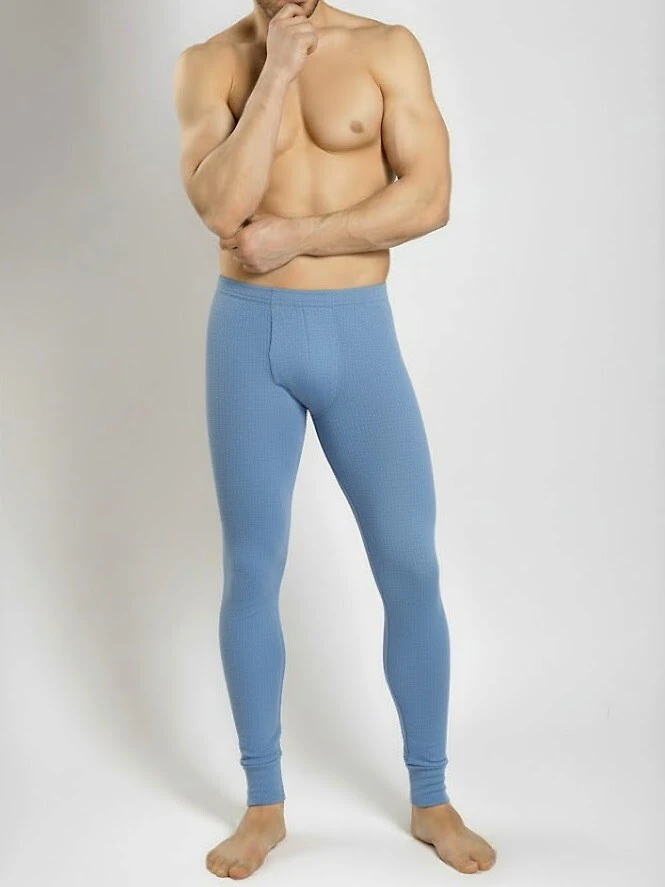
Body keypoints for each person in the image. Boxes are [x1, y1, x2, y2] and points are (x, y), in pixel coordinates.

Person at [173, 0, 496, 878]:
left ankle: (430, 796)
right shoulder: (210, 63)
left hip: (358, 335)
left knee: (410, 562)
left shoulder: (386, 48)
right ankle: (263, 805)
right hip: (247, 337)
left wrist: (299, 237)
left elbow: (428, 198)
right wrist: (277, 68)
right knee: (251, 568)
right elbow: (221, 208)